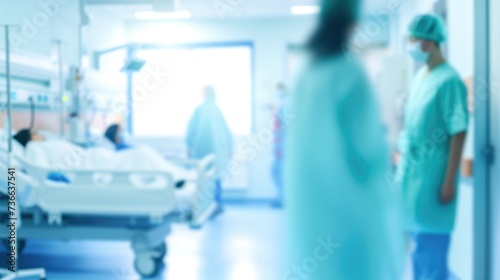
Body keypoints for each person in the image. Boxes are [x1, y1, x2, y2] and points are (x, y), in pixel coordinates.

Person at [283, 0, 404, 279]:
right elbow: (367, 150)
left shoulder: (305, 75)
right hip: (350, 207)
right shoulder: (349, 73)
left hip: (310, 209)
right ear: (352, 23)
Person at [396, 14, 469, 280]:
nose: (411, 46)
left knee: (431, 246)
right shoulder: (421, 78)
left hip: (435, 176)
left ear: (428, 42)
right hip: (412, 175)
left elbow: (458, 130)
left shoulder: (450, 81)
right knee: (417, 246)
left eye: (413, 40)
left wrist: (449, 180)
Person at [186, 86, 233, 210]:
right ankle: (212, 205)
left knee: (211, 177)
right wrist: (229, 146)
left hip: (209, 150)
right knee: (211, 177)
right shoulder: (203, 110)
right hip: (208, 150)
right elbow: (192, 129)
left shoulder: (211, 110)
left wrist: (230, 147)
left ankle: (213, 205)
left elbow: (225, 130)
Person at [270, 83, 290, 208]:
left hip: (284, 144)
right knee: (277, 171)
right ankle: (282, 198)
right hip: (280, 142)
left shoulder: (287, 104)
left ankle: (284, 199)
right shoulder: (282, 104)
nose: (278, 92)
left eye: (279, 90)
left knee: (278, 172)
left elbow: (287, 126)